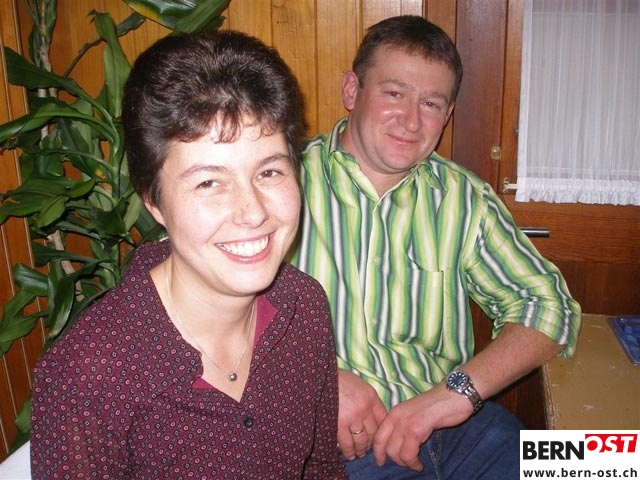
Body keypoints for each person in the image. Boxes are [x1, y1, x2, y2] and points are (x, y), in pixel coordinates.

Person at [30, 29, 347, 479]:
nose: (253, 212)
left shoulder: (304, 306)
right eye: (208, 182)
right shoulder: (89, 376)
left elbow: (322, 467)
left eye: (269, 172)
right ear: (154, 201)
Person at [289, 15, 582, 479]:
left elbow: (549, 308)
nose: (411, 120)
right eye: (394, 93)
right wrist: (312, 380)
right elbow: (189, 304)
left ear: (446, 115)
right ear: (352, 90)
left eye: (430, 103)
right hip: (341, 447)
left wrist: (456, 394)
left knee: (611, 461)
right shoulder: (278, 181)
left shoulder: (464, 198)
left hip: (459, 429)